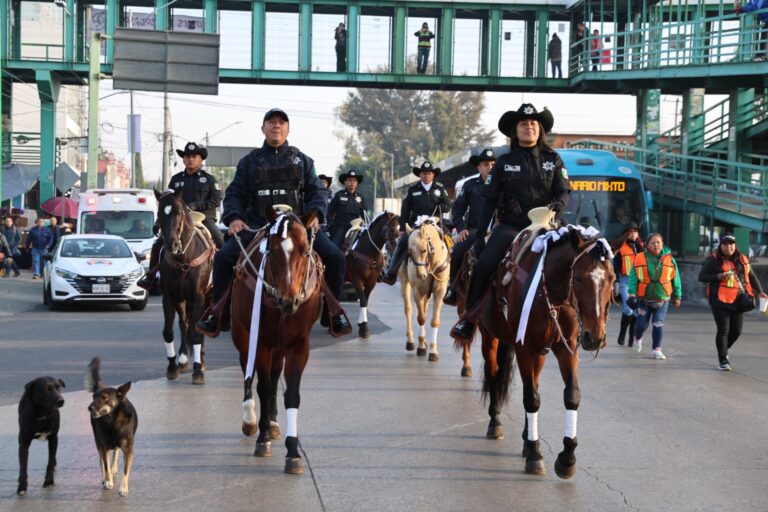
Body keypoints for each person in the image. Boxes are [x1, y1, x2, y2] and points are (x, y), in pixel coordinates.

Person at [197, 108, 351, 335]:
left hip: (297, 228)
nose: (276, 126)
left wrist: (316, 214)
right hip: (258, 226)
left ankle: (332, 312)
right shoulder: (249, 162)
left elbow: (317, 193)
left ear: (287, 129)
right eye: (271, 122)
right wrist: (235, 218)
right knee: (222, 258)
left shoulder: (303, 161)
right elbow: (233, 195)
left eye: (281, 123)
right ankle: (218, 313)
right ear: (263, 129)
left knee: (336, 257)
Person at [450, 104, 570, 342]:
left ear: (540, 130)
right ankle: (469, 319)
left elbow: (564, 191)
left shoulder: (553, 159)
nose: (529, 127)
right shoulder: (503, 162)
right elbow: (489, 201)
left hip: (547, 226)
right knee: (483, 265)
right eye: (524, 124)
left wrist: (559, 204)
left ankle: (580, 318)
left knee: (579, 259)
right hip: (511, 228)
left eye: (534, 124)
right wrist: (480, 235)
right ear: (515, 131)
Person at [137, 141, 223, 290]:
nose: (190, 159)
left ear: (200, 159)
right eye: (187, 156)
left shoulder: (209, 179)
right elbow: (166, 204)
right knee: (158, 244)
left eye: (194, 156)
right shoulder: (176, 180)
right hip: (178, 220)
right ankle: (151, 277)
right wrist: (159, 222)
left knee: (221, 242)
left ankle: (224, 278)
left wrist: (195, 206)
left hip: (202, 219)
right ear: (183, 159)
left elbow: (216, 200)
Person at [698, 233, 766, 371]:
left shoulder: (742, 259)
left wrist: (760, 292)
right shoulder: (712, 260)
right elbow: (702, 277)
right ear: (720, 245)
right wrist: (718, 276)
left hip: (738, 299)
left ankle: (723, 349)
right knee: (723, 329)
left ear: (735, 245)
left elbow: (751, 275)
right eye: (725, 244)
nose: (729, 246)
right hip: (719, 299)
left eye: (731, 244)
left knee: (736, 331)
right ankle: (723, 359)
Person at [380, 161, 449, 285]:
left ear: (433, 175)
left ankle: (452, 278)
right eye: (424, 173)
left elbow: (448, 206)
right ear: (420, 175)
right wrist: (402, 229)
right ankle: (391, 272)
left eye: (429, 173)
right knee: (402, 243)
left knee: (451, 242)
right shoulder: (412, 190)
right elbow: (405, 210)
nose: (427, 176)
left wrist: (441, 206)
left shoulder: (440, 187)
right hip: (417, 224)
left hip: (436, 223)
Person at [443, 148, 496, 306]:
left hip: (498, 230)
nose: (490, 167)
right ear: (479, 167)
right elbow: (457, 209)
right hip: (475, 231)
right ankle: (453, 287)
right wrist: (461, 229)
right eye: (486, 164)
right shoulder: (470, 185)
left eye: (493, 164)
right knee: (458, 250)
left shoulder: (503, 185)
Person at [627, 233, 682, 360]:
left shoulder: (670, 259)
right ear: (647, 245)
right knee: (641, 324)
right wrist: (632, 292)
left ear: (662, 244)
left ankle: (657, 349)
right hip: (643, 298)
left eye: (658, 242)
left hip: (663, 298)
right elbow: (633, 276)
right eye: (652, 243)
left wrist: (678, 295)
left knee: (658, 322)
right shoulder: (639, 258)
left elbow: (676, 278)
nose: (656, 245)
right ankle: (637, 338)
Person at [612, 221, 644, 346]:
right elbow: (614, 265)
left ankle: (631, 337)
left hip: (638, 282)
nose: (633, 234)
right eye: (630, 232)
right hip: (625, 280)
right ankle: (622, 333)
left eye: (635, 231)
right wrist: (614, 282)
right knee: (629, 307)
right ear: (625, 234)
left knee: (635, 310)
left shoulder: (641, 246)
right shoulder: (620, 247)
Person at [327, 170, 367, 249]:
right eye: (349, 180)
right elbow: (329, 212)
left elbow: (364, 215)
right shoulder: (339, 195)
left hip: (356, 228)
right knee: (333, 248)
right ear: (345, 182)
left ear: (357, 183)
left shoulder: (360, 197)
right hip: (341, 228)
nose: (352, 183)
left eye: (354, 181)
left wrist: (363, 224)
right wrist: (332, 226)